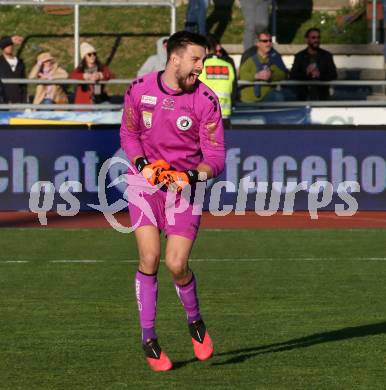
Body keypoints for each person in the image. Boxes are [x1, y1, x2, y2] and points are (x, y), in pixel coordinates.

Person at [120, 31, 225, 372]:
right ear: (174, 57)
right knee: (149, 256)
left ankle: (195, 322)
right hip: (145, 183)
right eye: (196, 59)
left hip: (185, 187)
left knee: (176, 265)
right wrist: (141, 167)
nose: (201, 67)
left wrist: (192, 176)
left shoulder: (206, 100)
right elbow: (129, 133)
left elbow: (216, 156)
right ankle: (149, 340)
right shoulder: (138, 89)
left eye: (203, 61)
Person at [239, 31, 288, 103]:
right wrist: (256, 76)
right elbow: (242, 75)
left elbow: (283, 74)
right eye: (265, 41)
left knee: (280, 96)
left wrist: (271, 76)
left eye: (270, 41)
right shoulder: (249, 57)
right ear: (258, 43)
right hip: (249, 100)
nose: (268, 43)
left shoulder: (275, 57)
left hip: (268, 97)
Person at [290, 28, 337, 101]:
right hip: (304, 97)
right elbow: (292, 75)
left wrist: (319, 75)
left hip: (322, 97)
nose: (316, 40)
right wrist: (306, 72)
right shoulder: (300, 56)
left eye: (318, 37)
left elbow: (333, 74)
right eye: (313, 38)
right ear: (306, 40)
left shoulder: (327, 55)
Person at [199, 34, 236, 119]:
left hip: (205, 113)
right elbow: (234, 89)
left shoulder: (201, 65)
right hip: (225, 112)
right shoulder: (228, 65)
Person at [0, 35, 27, 103]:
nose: (9, 47)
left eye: (11, 44)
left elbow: (23, 83)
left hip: (19, 101)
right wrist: (10, 40)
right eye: (6, 45)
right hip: (3, 102)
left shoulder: (20, 62)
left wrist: (24, 100)